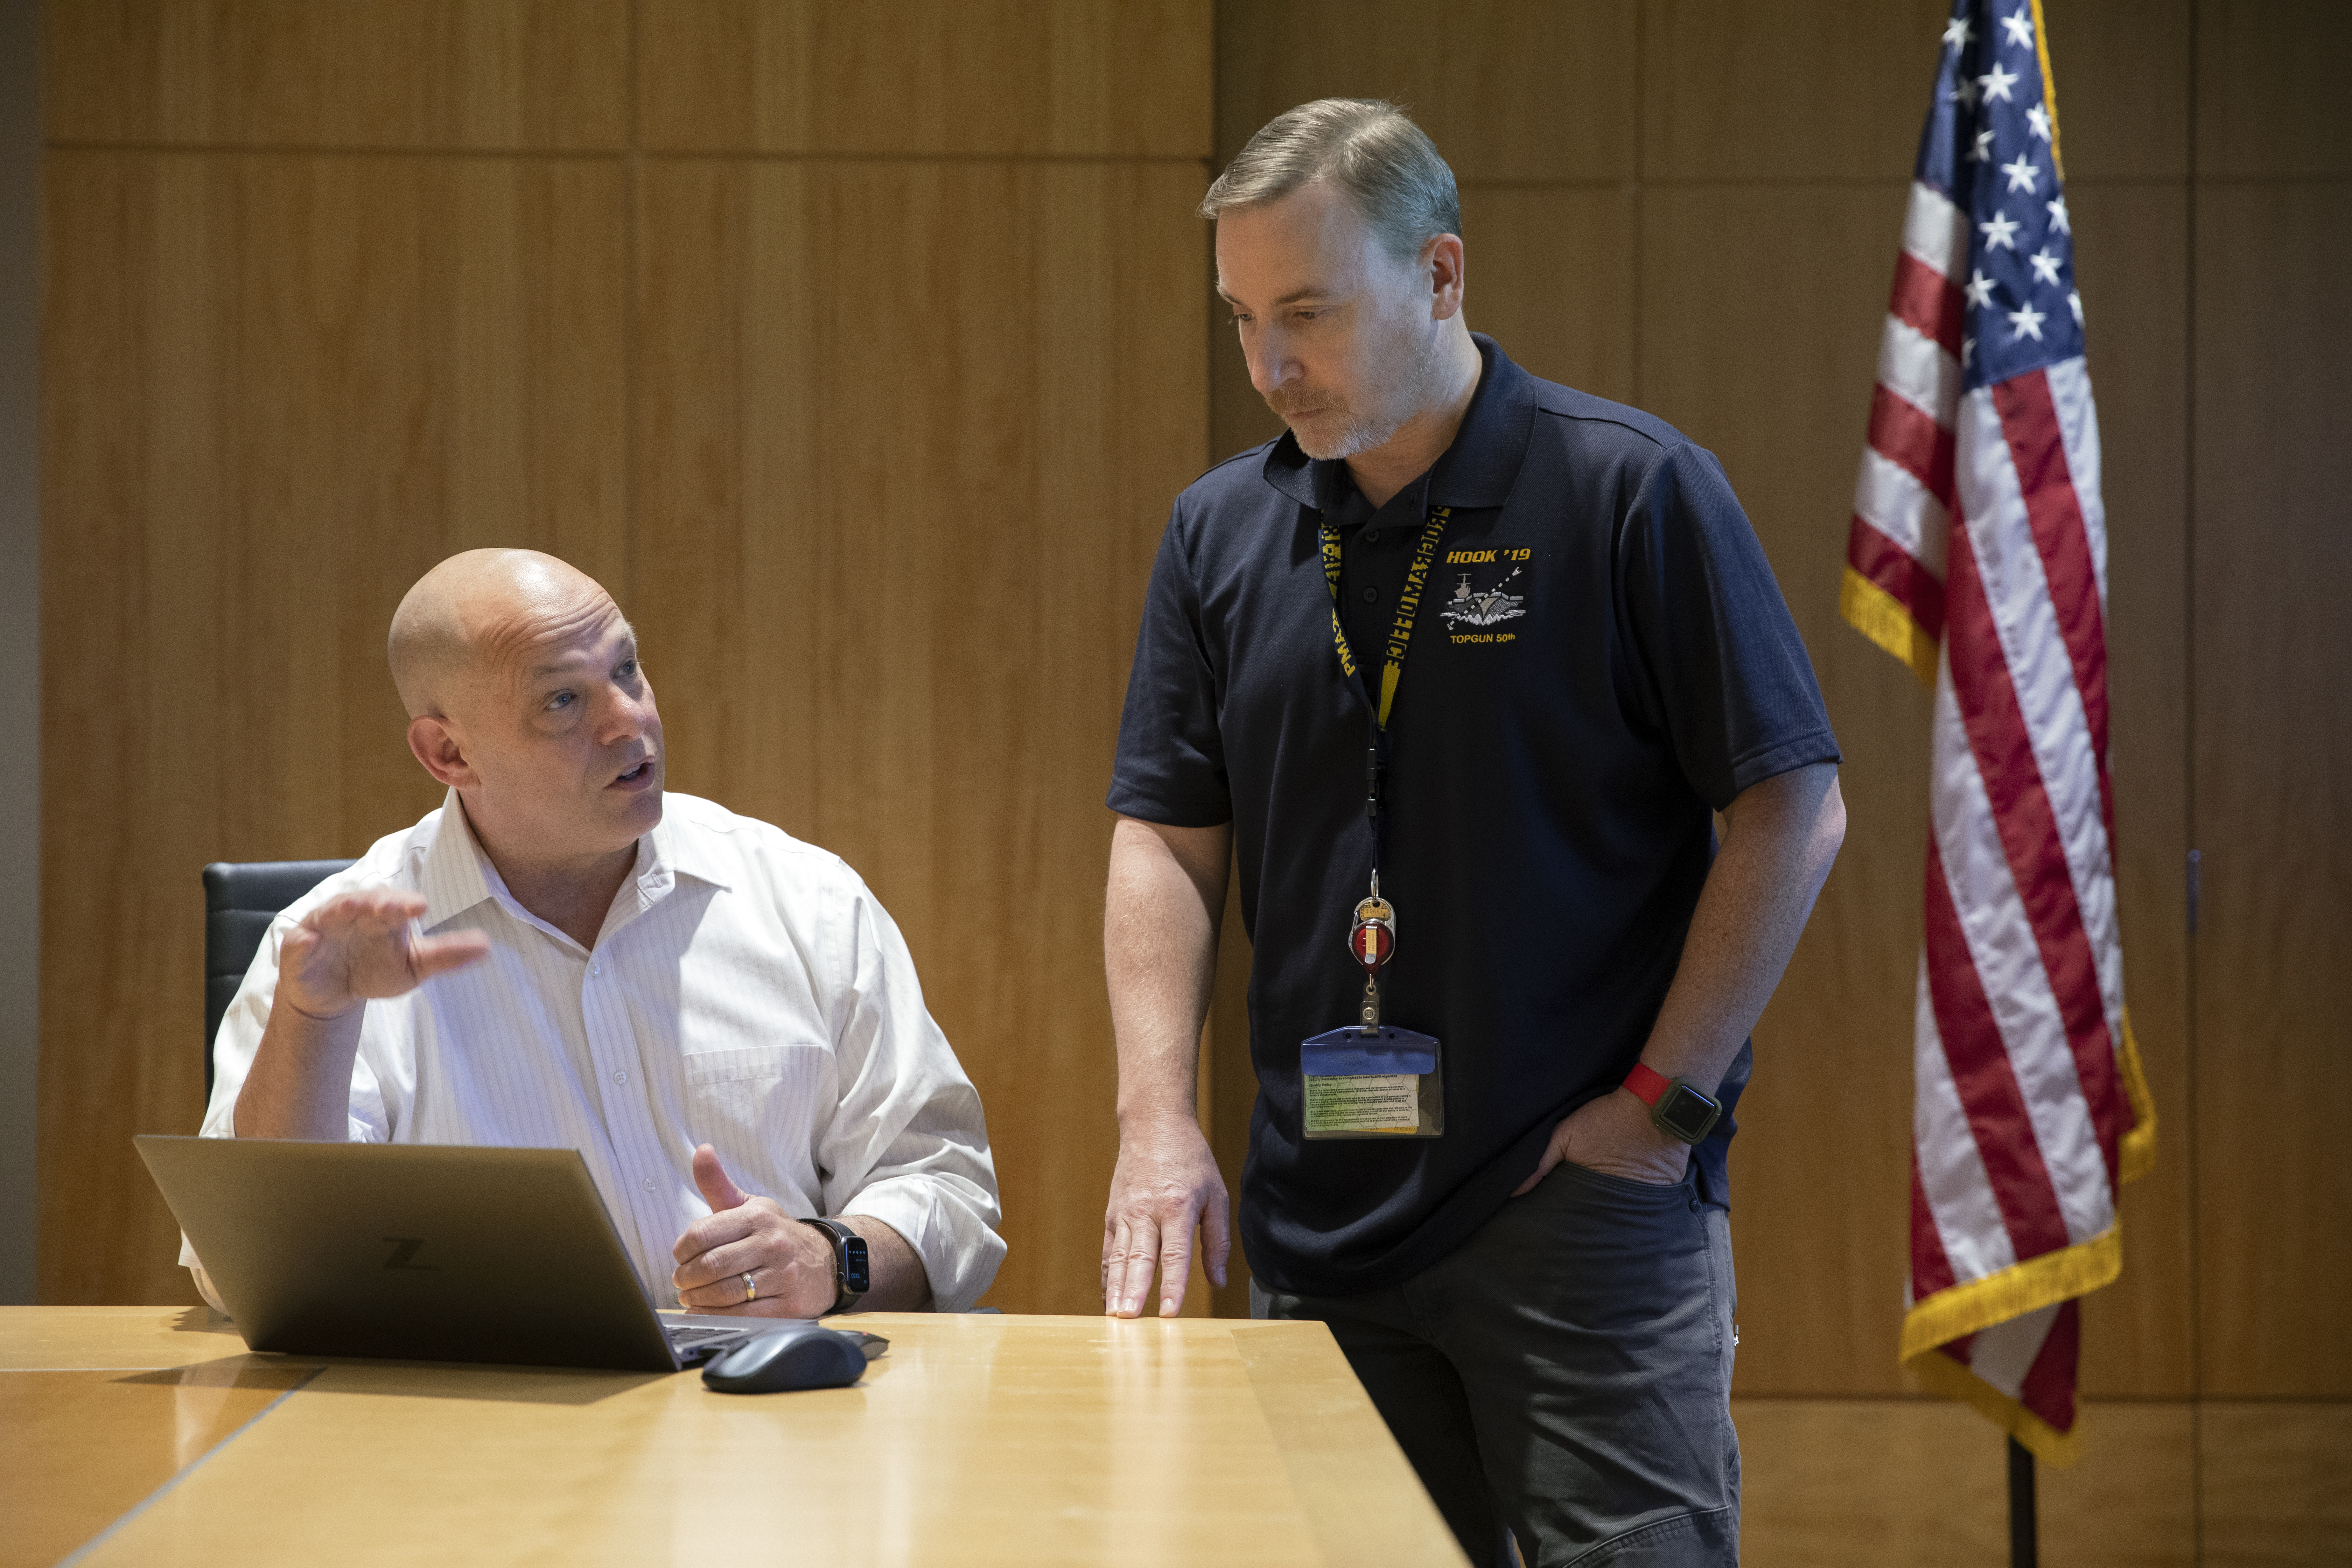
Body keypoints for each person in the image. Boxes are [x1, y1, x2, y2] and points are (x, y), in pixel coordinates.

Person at [1100, 100, 1846, 1565]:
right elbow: (1168, 838)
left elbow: (1792, 804)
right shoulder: (1219, 531)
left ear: (1441, 276)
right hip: (1320, 1213)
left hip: (1576, 1207)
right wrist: (1155, 1117)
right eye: (1243, 317)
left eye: (1307, 311)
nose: (1268, 365)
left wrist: (1664, 1109)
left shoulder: (1630, 487)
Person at [189, 548, 1004, 1318]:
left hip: (769, 1428)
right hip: (468, 1435)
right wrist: (315, 1022)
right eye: (563, 701)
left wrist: (831, 1259)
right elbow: (248, 1273)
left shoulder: (806, 901)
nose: (629, 722)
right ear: (449, 752)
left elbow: (946, 1188)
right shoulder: (332, 951)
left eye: (626, 669)